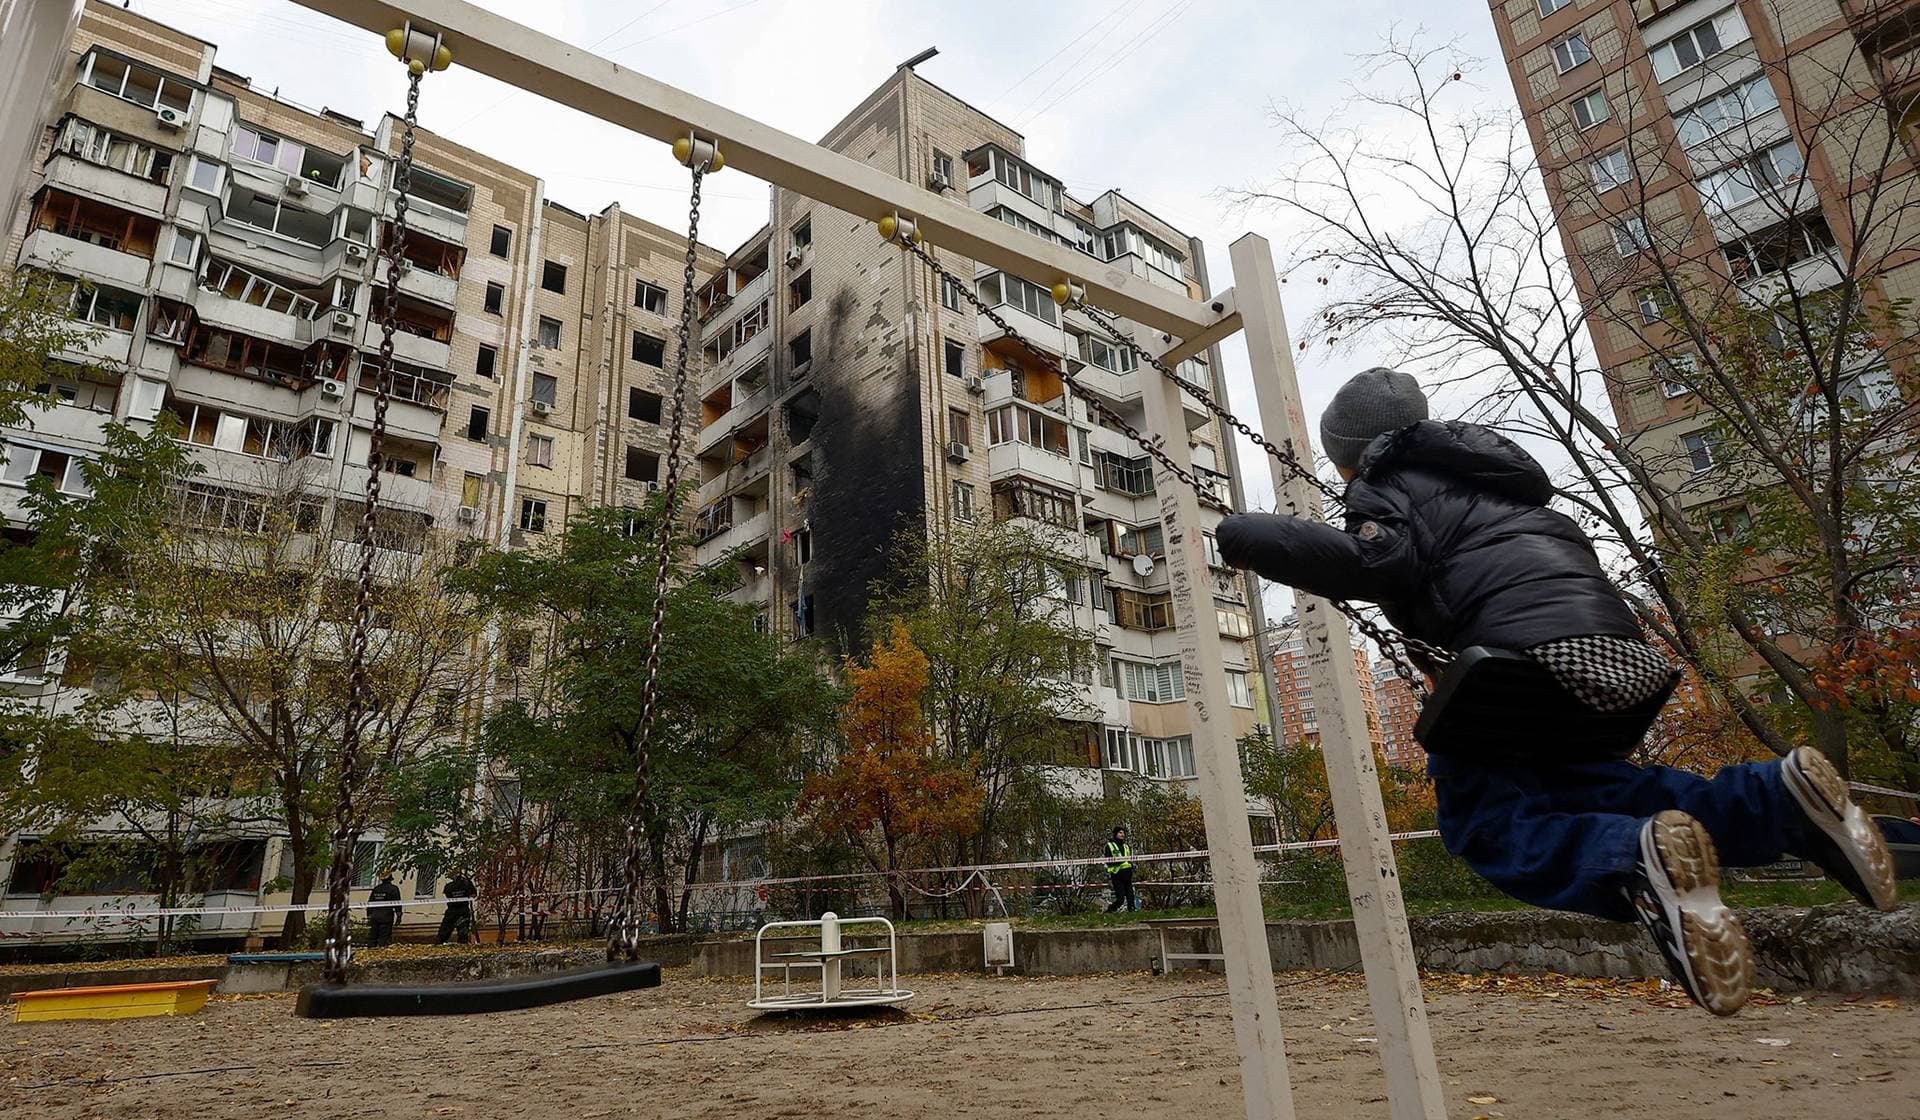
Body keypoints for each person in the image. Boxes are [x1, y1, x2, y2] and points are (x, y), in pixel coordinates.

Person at [1215, 367, 1898, 1017]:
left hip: (1522, 669)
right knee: (1607, 792)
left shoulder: (1390, 485)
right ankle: (1775, 801)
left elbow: (1376, 560)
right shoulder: (1502, 486)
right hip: (1619, 661)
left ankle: (1635, 861)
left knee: (1488, 826)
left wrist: (1248, 535)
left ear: (1353, 455)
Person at [1102, 827, 1138, 913]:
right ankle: (1110, 910)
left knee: (1130, 895)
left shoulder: (1126, 846)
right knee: (1120, 898)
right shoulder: (1109, 846)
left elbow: (1129, 859)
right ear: (1115, 834)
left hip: (1127, 873)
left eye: (1123, 833)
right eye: (1120, 833)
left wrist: (1131, 867)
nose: (1122, 835)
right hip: (1117, 874)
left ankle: (1132, 910)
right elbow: (1108, 860)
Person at [435, 871, 476, 945]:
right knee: (463, 931)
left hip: (451, 910)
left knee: (445, 930)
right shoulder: (467, 885)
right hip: (463, 910)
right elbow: (473, 894)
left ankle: (439, 943)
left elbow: (447, 895)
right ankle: (462, 944)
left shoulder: (448, 886)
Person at [366, 870, 402, 948]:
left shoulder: (376, 889)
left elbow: (370, 903)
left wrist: (369, 915)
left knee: (373, 935)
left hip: (375, 916)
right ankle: (381, 950)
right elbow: (397, 904)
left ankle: (370, 949)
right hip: (386, 916)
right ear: (390, 878)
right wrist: (399, 916)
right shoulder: (393, 889)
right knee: (384, 936)